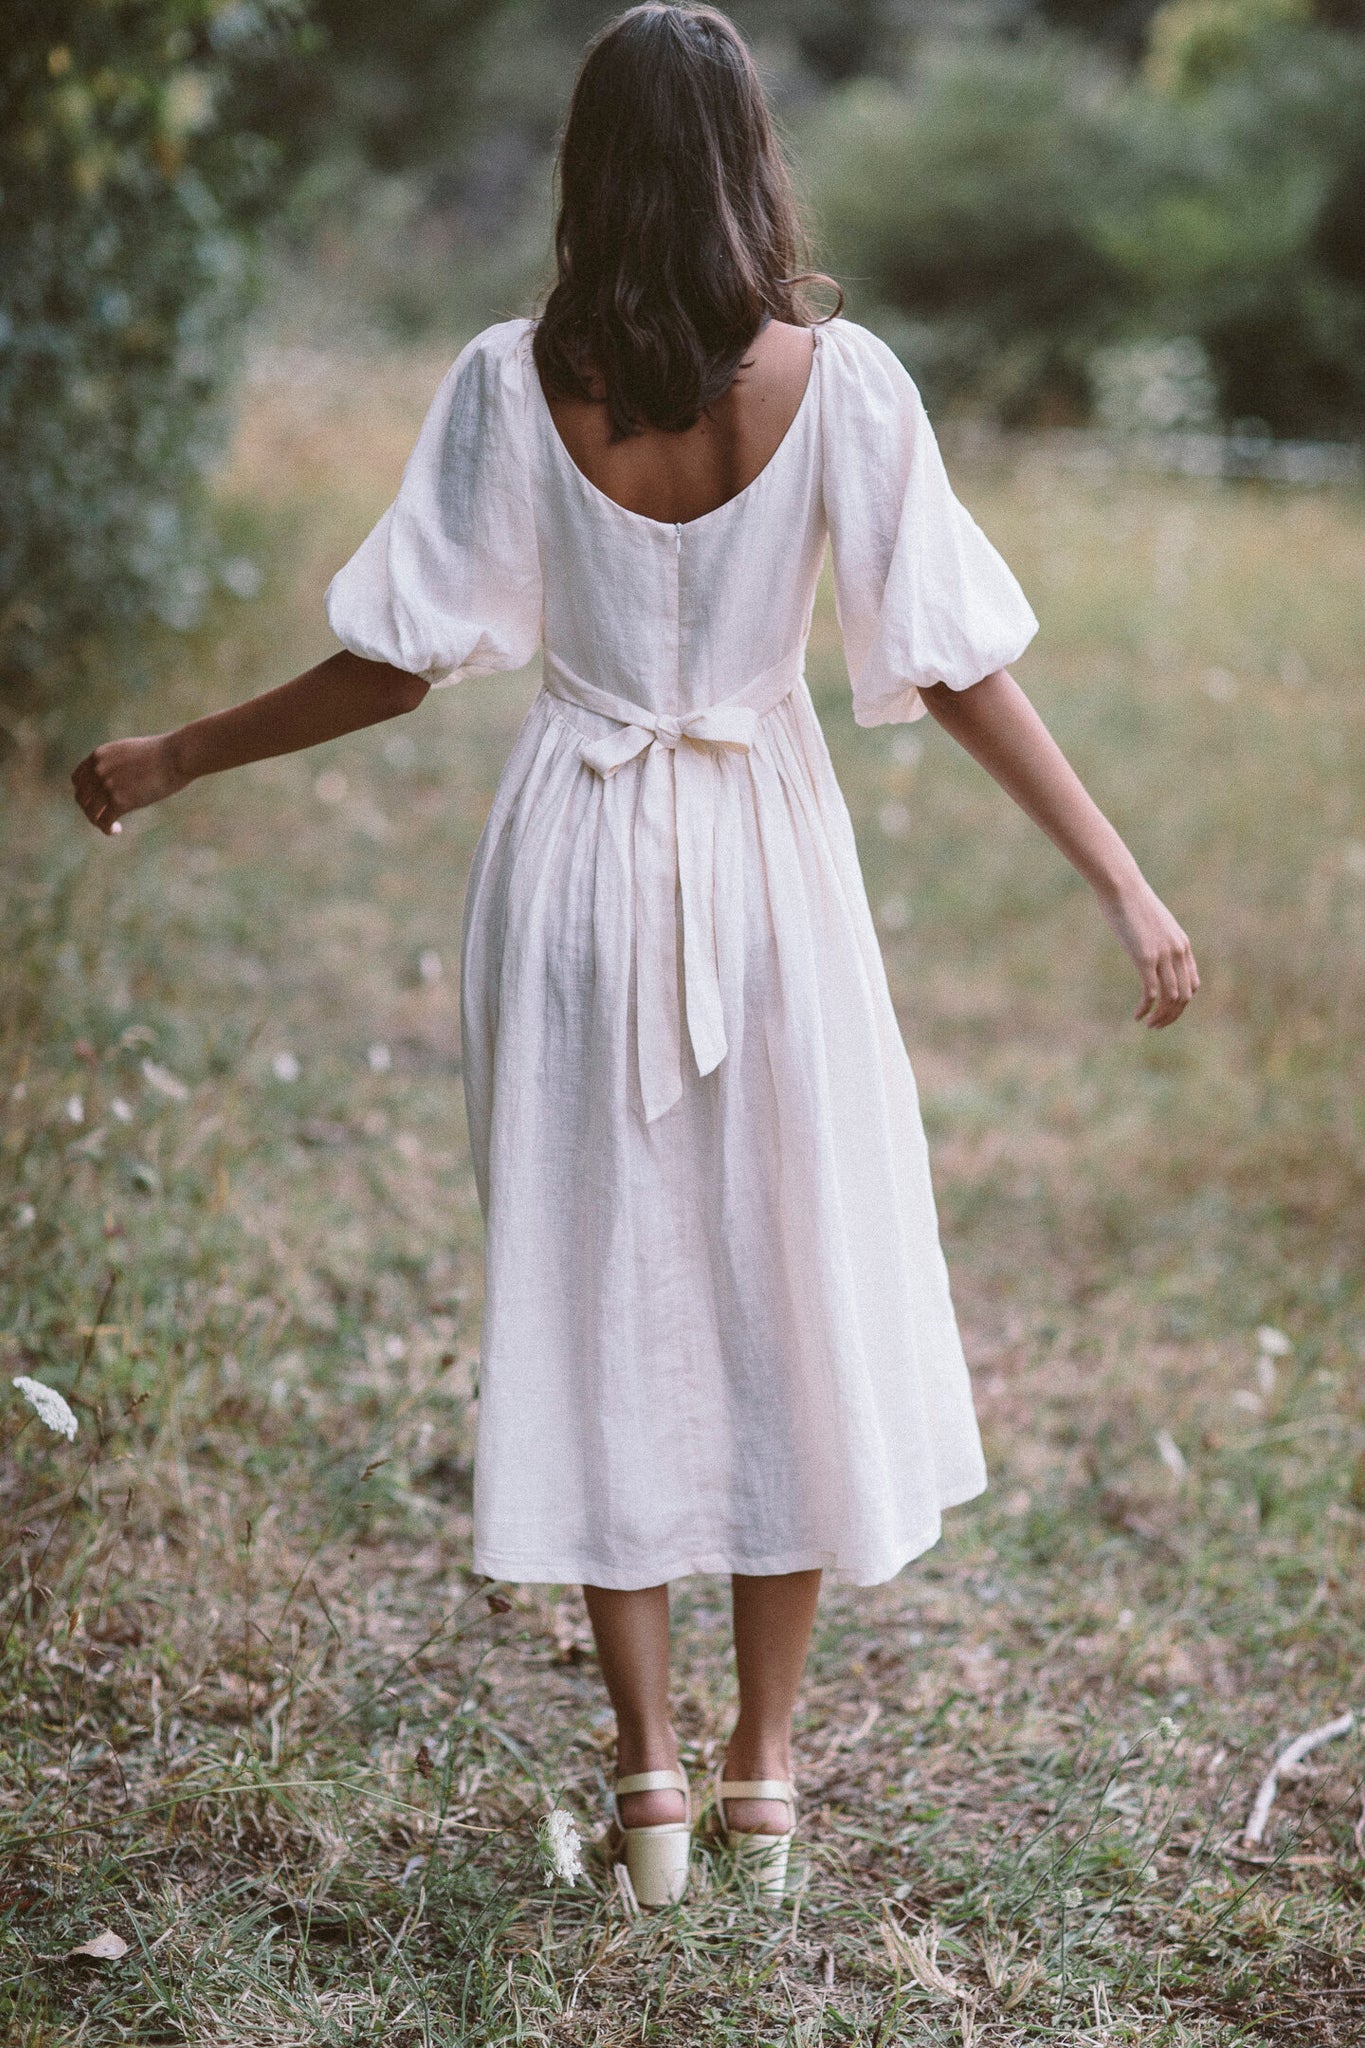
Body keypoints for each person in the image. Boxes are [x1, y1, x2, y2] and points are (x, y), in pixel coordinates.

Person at [71, 3, 1198, 1909]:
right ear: (753, 156)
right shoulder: (842, 385)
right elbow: (958, 664)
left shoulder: (515, 380)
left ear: (588, 168)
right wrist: (1124, 880)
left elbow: (399, 660)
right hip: (766, 859)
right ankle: (764, 1773)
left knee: (592, 1287)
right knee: (786, 1279)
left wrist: (176, 754)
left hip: (574, 863)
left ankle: (652, 1781)